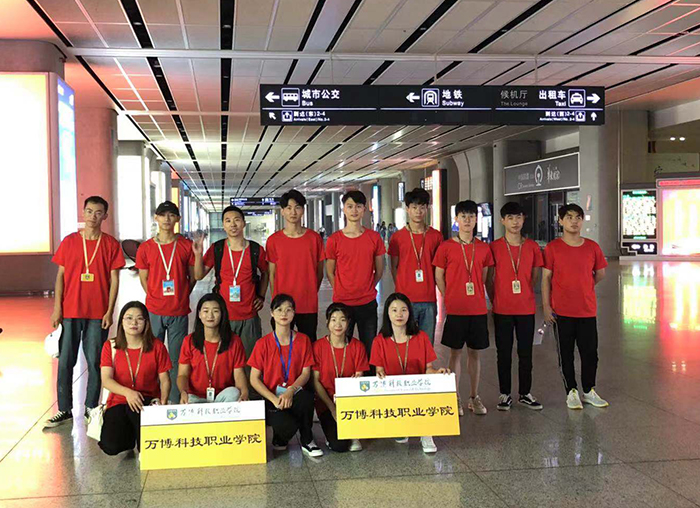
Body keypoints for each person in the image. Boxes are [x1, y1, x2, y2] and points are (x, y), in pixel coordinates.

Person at [45, 196, 125, 429]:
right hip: (70, 311)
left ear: (105, 216)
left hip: (98, 314)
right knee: (65, 362)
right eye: (89, 211)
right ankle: (64, 409)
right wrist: (57, 308)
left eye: (98, 212)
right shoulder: (69, 241)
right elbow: (60, 276)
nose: (92, 216)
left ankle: (92, 407)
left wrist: (110, 311)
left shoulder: (110, 244)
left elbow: (114, 280)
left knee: (96, 362)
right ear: (83, 212)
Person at [542, 204, 609, 410]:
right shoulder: (553, 248)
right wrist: (546, 306)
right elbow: (546, 278)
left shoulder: (592, 247)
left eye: (578, 217)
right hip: (561, 312)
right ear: (560, 221)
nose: (574, 221)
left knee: (590, 353)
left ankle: (588, 390)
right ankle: (571, 391)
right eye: (569, 217)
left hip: (586, 310)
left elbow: (600, 273)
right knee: (566, 354)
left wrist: (585, 287)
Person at [434, 200, 494, 417]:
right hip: (456, 309)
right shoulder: (446, 247)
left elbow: (484, 277)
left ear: (476, 219)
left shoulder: (484, 248)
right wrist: (449, 296)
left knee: (475, 354)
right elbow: (439, 275)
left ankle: (474, 397)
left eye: (471, 216)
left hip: (477, 309)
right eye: (463, 216)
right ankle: (455, 396)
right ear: (456, 219)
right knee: (455, 353)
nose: (467, 220)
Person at [370, 293, 449, 454]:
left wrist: (437, 373)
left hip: (418, 391)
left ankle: (426, 433)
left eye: (403, 310)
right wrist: (380, 375)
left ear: (409, 313)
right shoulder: (379, 341)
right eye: (394, 310)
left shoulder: (421, 338)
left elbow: (428, 369)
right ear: (387, 314)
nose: (399, 314)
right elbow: (379, 370)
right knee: (400, 435)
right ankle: (402, 426)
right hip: (393, 393)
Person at [135, 201, 195, 403]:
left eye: (171, 215)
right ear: (156, 218)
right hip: (154, 311)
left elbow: (192, 276)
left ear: (178, 218)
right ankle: (153, 397)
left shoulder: (185, 245)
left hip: (179, 311)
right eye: (163, 215)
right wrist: (154, 296)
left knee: (178, 358)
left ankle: (177, 399)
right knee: (152, 355)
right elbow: (143, 278)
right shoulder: (146, 248)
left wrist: (183, 294)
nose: (167, 219)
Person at [486, 202, 544, 411]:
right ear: (502, 220)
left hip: (526, 308)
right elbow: (489, 279)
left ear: (523, 219)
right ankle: (505, 394)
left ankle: (525, 393)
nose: (515, 222)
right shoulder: (494, 247)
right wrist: (496, 299)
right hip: (502, 308)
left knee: (525, 352)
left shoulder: (532, 247)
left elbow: (535, 276)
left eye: (518, 217)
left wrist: (524, 293)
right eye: (510, 218)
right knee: (503, 353)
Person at [248, 294, 321, 456]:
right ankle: (280, 437)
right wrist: (273, 399)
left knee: (307, 398)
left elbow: (305, 373)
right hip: (272, 398)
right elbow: (254, 379)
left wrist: (291, 390)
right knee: (286, 427)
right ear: (272, 313)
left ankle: (307, 440)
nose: (284, 314)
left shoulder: (303, 340)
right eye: (279, 309)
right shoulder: (262, 344)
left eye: (288, 310)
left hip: (295, 393)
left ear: (294, 313)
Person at [193, 205, 269, 359]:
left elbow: (266, 272)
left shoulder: (255, 250)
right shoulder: (217, 249)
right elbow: (199, 275)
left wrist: (261, 296)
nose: (233, 224)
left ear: (244, 223)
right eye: (228, 221)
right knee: (224, 360)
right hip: (223, 316)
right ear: (223, 225)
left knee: (249, 360)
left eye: (237, 220)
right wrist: (198, 255)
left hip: (249, 315)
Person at [98, 301, 171, 455]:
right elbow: (106, 380)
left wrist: (163, 404)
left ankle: (138, 433)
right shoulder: (110, 346)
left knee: (149, 448)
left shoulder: (157, 346)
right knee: (111, 446)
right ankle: (129, 438)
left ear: (146, 322)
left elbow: (165, 379)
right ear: (121, 321)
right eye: (129, 318)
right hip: (119, 400)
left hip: (147, 401)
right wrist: (128, 393)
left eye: (139, 319)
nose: (134, 323)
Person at [325, 190, 385, 363]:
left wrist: (368, 286)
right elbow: (330, 271)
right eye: (350, 206)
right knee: (343, 347)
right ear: (343, 209)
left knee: (369, 347)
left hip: (367, 302)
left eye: (358, 206)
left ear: (364, 210)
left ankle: (369, 377)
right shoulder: (334, 240)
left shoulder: (374, 238)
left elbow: (379, 270)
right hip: (342, 303)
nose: (354, 211)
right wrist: (340, 289)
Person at [267, 190, 325, 341]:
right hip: (282, 305)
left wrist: (311, 291)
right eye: (289, 208)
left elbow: (319, 271)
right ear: (282, 211)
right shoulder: (274, 240)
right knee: (282, 343)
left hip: (307, 303)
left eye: (297, 207)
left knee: (309, 342)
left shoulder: (314, 239)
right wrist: (275, 301)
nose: (293, 212)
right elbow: (272, 274)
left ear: (303, 210)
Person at [388, 188, 443, 344]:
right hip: (405, 299)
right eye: (414, 207)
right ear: (407, 209)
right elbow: (394, 267)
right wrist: (401, 288)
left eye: (422, 207)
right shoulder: (397, 237)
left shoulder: (436, 236)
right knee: (404, 343)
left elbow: (439, 269)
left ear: (427, 208)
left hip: (428, 298)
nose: (418, 211)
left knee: (427, 344)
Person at [313, 303, 368, 453]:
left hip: (351, 403)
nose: (338, 324)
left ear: (348, 322)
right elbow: (316, 381)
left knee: (352, 442)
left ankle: (352, 432)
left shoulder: (357, 346)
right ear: (327, 322)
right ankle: (332, 433)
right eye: (333, 319)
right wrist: (332, 408)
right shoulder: (318, 347)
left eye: (342, 320)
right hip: (326, 403)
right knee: (339, 446)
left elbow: (360, 378)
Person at [177, 293, 249, 403]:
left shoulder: (234, 341)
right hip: (196, 397)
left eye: (215, 311)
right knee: (189, 400)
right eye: (206, 311)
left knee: (234, 393)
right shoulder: (189, 341)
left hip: (222, 398)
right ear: (199, 314)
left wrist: (244, 393)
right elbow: (182, 374)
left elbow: (239, 374)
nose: (210, 316)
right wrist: (183, 392)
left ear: (222, 314)